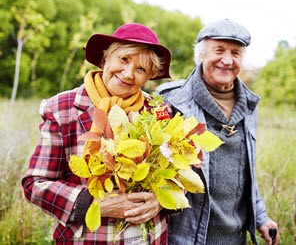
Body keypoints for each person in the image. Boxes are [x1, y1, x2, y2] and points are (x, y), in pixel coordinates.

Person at [22, 23, 172, 245]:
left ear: (149, 76)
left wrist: (160, 201)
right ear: (105, 58)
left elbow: (176, 174)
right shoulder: (62, 108)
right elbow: (36, 184)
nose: (129, 74)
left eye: (141, 69)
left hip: (150, 238)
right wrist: (97, 205)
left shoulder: (157, 111)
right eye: (124, 60)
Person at [157, 19, 279, 245]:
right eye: (219, 50)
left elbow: (246, 173)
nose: (227, 60)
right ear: (201, 55)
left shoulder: (250, 105)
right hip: (183, 238)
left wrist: (261, 217)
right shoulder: (171, 100)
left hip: (235, 238)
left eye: (236, 53)